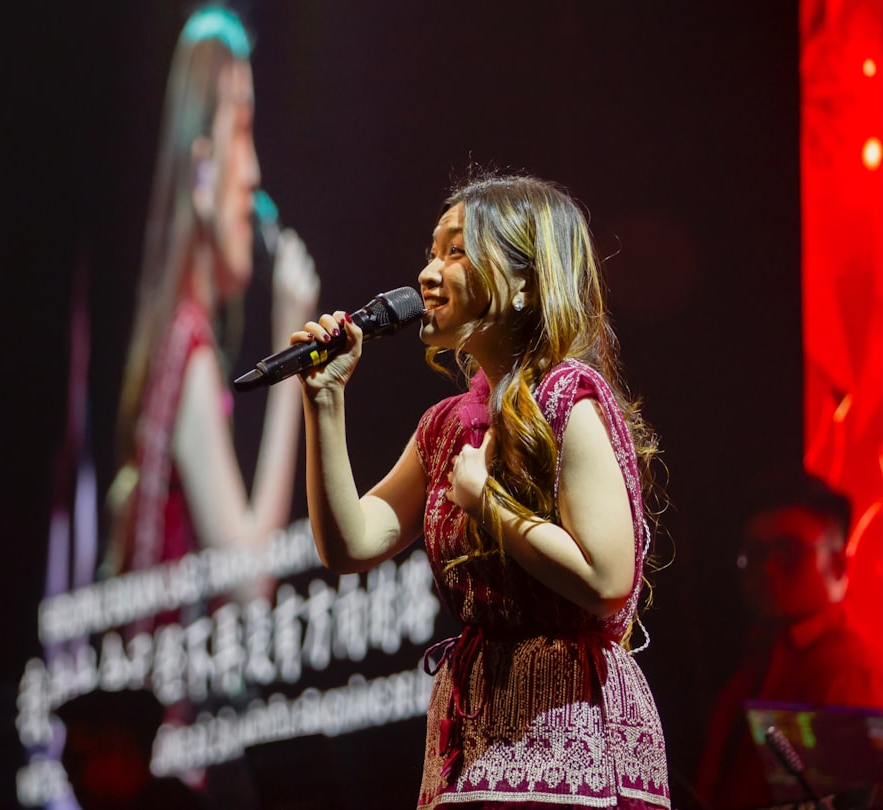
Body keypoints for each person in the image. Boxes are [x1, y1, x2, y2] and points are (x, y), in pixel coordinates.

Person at [292, 173, 671, 808]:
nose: (428, 273)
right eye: (431, 251)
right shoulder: (445, 428)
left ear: (525, 282)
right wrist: (325, 401)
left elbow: (609, 580)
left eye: (457, 251)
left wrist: (488, 505)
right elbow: (351, 543)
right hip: (474, 731)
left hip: (570, 734)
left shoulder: (566, 398)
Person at [101, 5, 319, 584]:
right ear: (201, 176)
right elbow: (251, 583)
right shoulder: (189, 348)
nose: (252, 175)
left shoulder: (177, 338)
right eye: (241, 131)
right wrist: (293, 359)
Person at [693, 470, 883, 809]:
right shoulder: (759, 661)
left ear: (837, 563)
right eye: (754, 553)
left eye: (788, 551)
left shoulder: (846, 667)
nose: (767, 568)